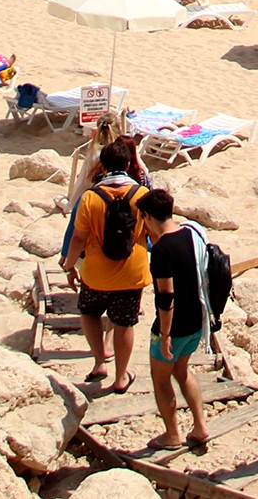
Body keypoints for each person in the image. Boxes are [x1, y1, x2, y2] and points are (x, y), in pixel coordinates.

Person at [64, 140, 151, 394]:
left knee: (90, 312)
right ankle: (121, 376)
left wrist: (69, 265)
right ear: (127, 164)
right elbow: (152, 233)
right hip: (132, 270)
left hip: (96, 271)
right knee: (124, 323)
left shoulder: (90, 198)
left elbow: (78, 238)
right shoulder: (141, 196)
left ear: (103, 165)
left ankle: (100, 361)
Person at [137, 189, 213, 452]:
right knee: (182, 371)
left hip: (174, 326)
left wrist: (166, 334)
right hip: (195, 320)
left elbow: (166, 297)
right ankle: (200, 426)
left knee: (161, 379)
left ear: (147, 216)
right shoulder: (190, 234)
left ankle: (172, 434)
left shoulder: (162, 250)